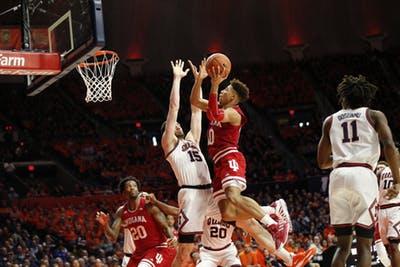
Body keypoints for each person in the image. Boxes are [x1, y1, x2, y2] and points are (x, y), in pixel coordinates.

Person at [188, 59, 290, 248]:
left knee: (234, 196)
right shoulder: (217, 106)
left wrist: (214, 84)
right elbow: (194, 101)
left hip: (230, 157)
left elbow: (215, 115)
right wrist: (199, 80)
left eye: (226, 91)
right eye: (223, 89)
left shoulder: (235, 113)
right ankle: (272, 209)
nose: (223, 92)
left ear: (233, 98)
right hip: (218, 164)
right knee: (227, 213)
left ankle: (273, 225)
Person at [317, 74, 400, 267]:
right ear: (367, 97)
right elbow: (389, 147)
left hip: (337, 177)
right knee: (364, 244)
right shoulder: (374, 115)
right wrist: (397, 181)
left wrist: (343, 158)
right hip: (363, 175)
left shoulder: (329, 121)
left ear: (343, 97)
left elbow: (321, 162)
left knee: (342, 246)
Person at [144, 192, 316, 267]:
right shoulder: (205, 212)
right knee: (253, 225)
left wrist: (247, 235)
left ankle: (289, 257)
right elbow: (177, 212)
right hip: (208, 253)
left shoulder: (230, 214)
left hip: (227, 252)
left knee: (254, 227)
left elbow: (250, 234)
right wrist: (157, 202)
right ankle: (272, 210)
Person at [161, 59, 213, 266]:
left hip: (209, 190)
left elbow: (196, 110)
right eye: (175, 126)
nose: (179, 126)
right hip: (190, 194)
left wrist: (199, 81)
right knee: (184, 252)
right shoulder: (169, 143)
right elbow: (174, 107)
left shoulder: (191, 139)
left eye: (179, 125)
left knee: (233, 219)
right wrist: (177, 79)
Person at [95, 176, 177, 267]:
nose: (132, 187)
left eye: (134, 185)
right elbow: (113, 237)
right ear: (124, 193)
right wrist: (105, 224)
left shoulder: (148, 206)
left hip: (158, 248)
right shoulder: (121, 212)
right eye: (129, 186)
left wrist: (171, 238)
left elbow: (165, 226)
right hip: (139, 252)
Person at [376, 160, 400, 266]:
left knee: (394, 245)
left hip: (395, 208)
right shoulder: (380, 173)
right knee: (387, 247)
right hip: (382, 210)